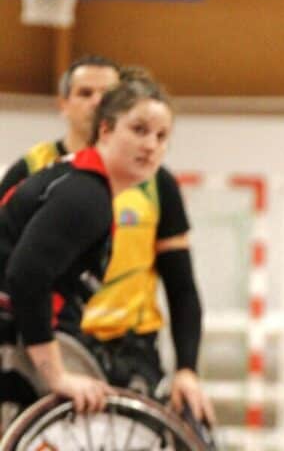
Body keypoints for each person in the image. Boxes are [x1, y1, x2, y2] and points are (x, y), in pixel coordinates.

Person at [0, 59, 215, 425]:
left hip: (117, 340)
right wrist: (56, 375)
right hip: (40, 337)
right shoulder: (86, 195)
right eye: (139, 130)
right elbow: (24, 276)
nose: (150, 145)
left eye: (161, 137)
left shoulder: (90, 182)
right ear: (106, 129)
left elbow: (182, 286)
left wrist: (187, 367)